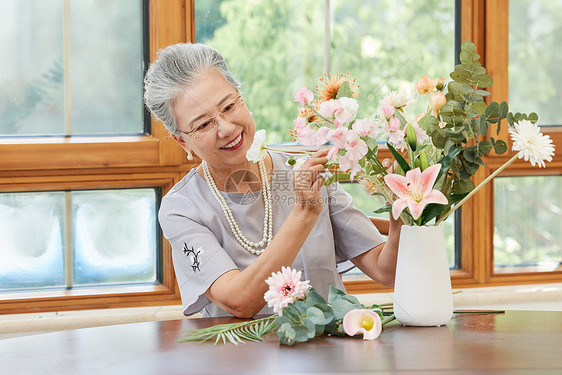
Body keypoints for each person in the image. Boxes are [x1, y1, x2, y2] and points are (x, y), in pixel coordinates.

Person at [144, 43, 403, 318]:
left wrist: (401, 216)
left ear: (241, 97)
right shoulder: (182, 208)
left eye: (229, 106)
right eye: (204, 125)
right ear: (182, 141)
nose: (227, 128)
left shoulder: (305, 170)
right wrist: (304, 214)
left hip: (331, 352)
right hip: (240, 358)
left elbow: (386, 270)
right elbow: (238, 302)